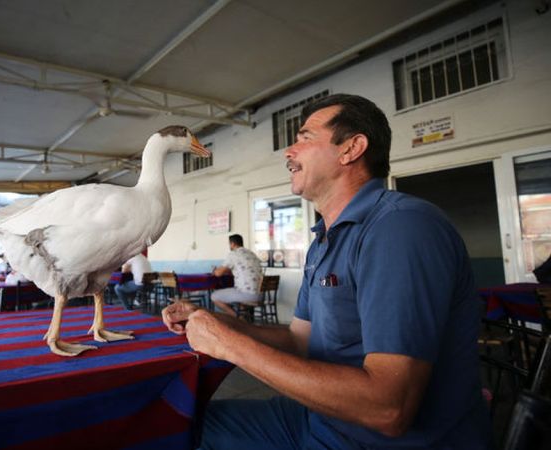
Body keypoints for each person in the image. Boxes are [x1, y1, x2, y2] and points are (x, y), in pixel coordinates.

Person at [162, 94, 489, 449]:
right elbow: (300, 341)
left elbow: (388, 409)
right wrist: (219, 322)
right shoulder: (324, 240)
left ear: (351, 148)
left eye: (304, 138)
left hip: (373, 441)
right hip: (319, 420)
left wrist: (230, 346)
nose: (289, 151)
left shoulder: (399, 228)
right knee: (175, 424)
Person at [211, 234, 263, 316]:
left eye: (229, 243)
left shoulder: (233, 254)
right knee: (238, 295)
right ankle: (244, 317)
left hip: (246, 295)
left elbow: (218, 273)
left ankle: (238, 317)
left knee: (214, 296)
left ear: (232, 244)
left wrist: (215, 270)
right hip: (260, 295)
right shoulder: (252, 254)